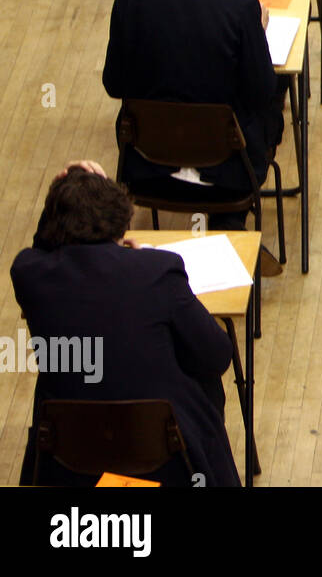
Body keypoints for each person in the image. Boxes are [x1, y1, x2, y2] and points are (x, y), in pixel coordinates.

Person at [14, 162, 241, 487]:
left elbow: (38, 252)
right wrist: (141, 260)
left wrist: (62, 197)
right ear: (121, 226)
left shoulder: (30, 276)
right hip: (168, 463)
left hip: (69, 461)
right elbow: (218, 355)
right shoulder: (158, 270)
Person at [104, 0, 283, 230]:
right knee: (270, 112)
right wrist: (256, 31)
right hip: (228, 168)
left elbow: (114, 83)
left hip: (146, 165)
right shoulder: (241, 5)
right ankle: (230, 229)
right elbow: (261, 91)